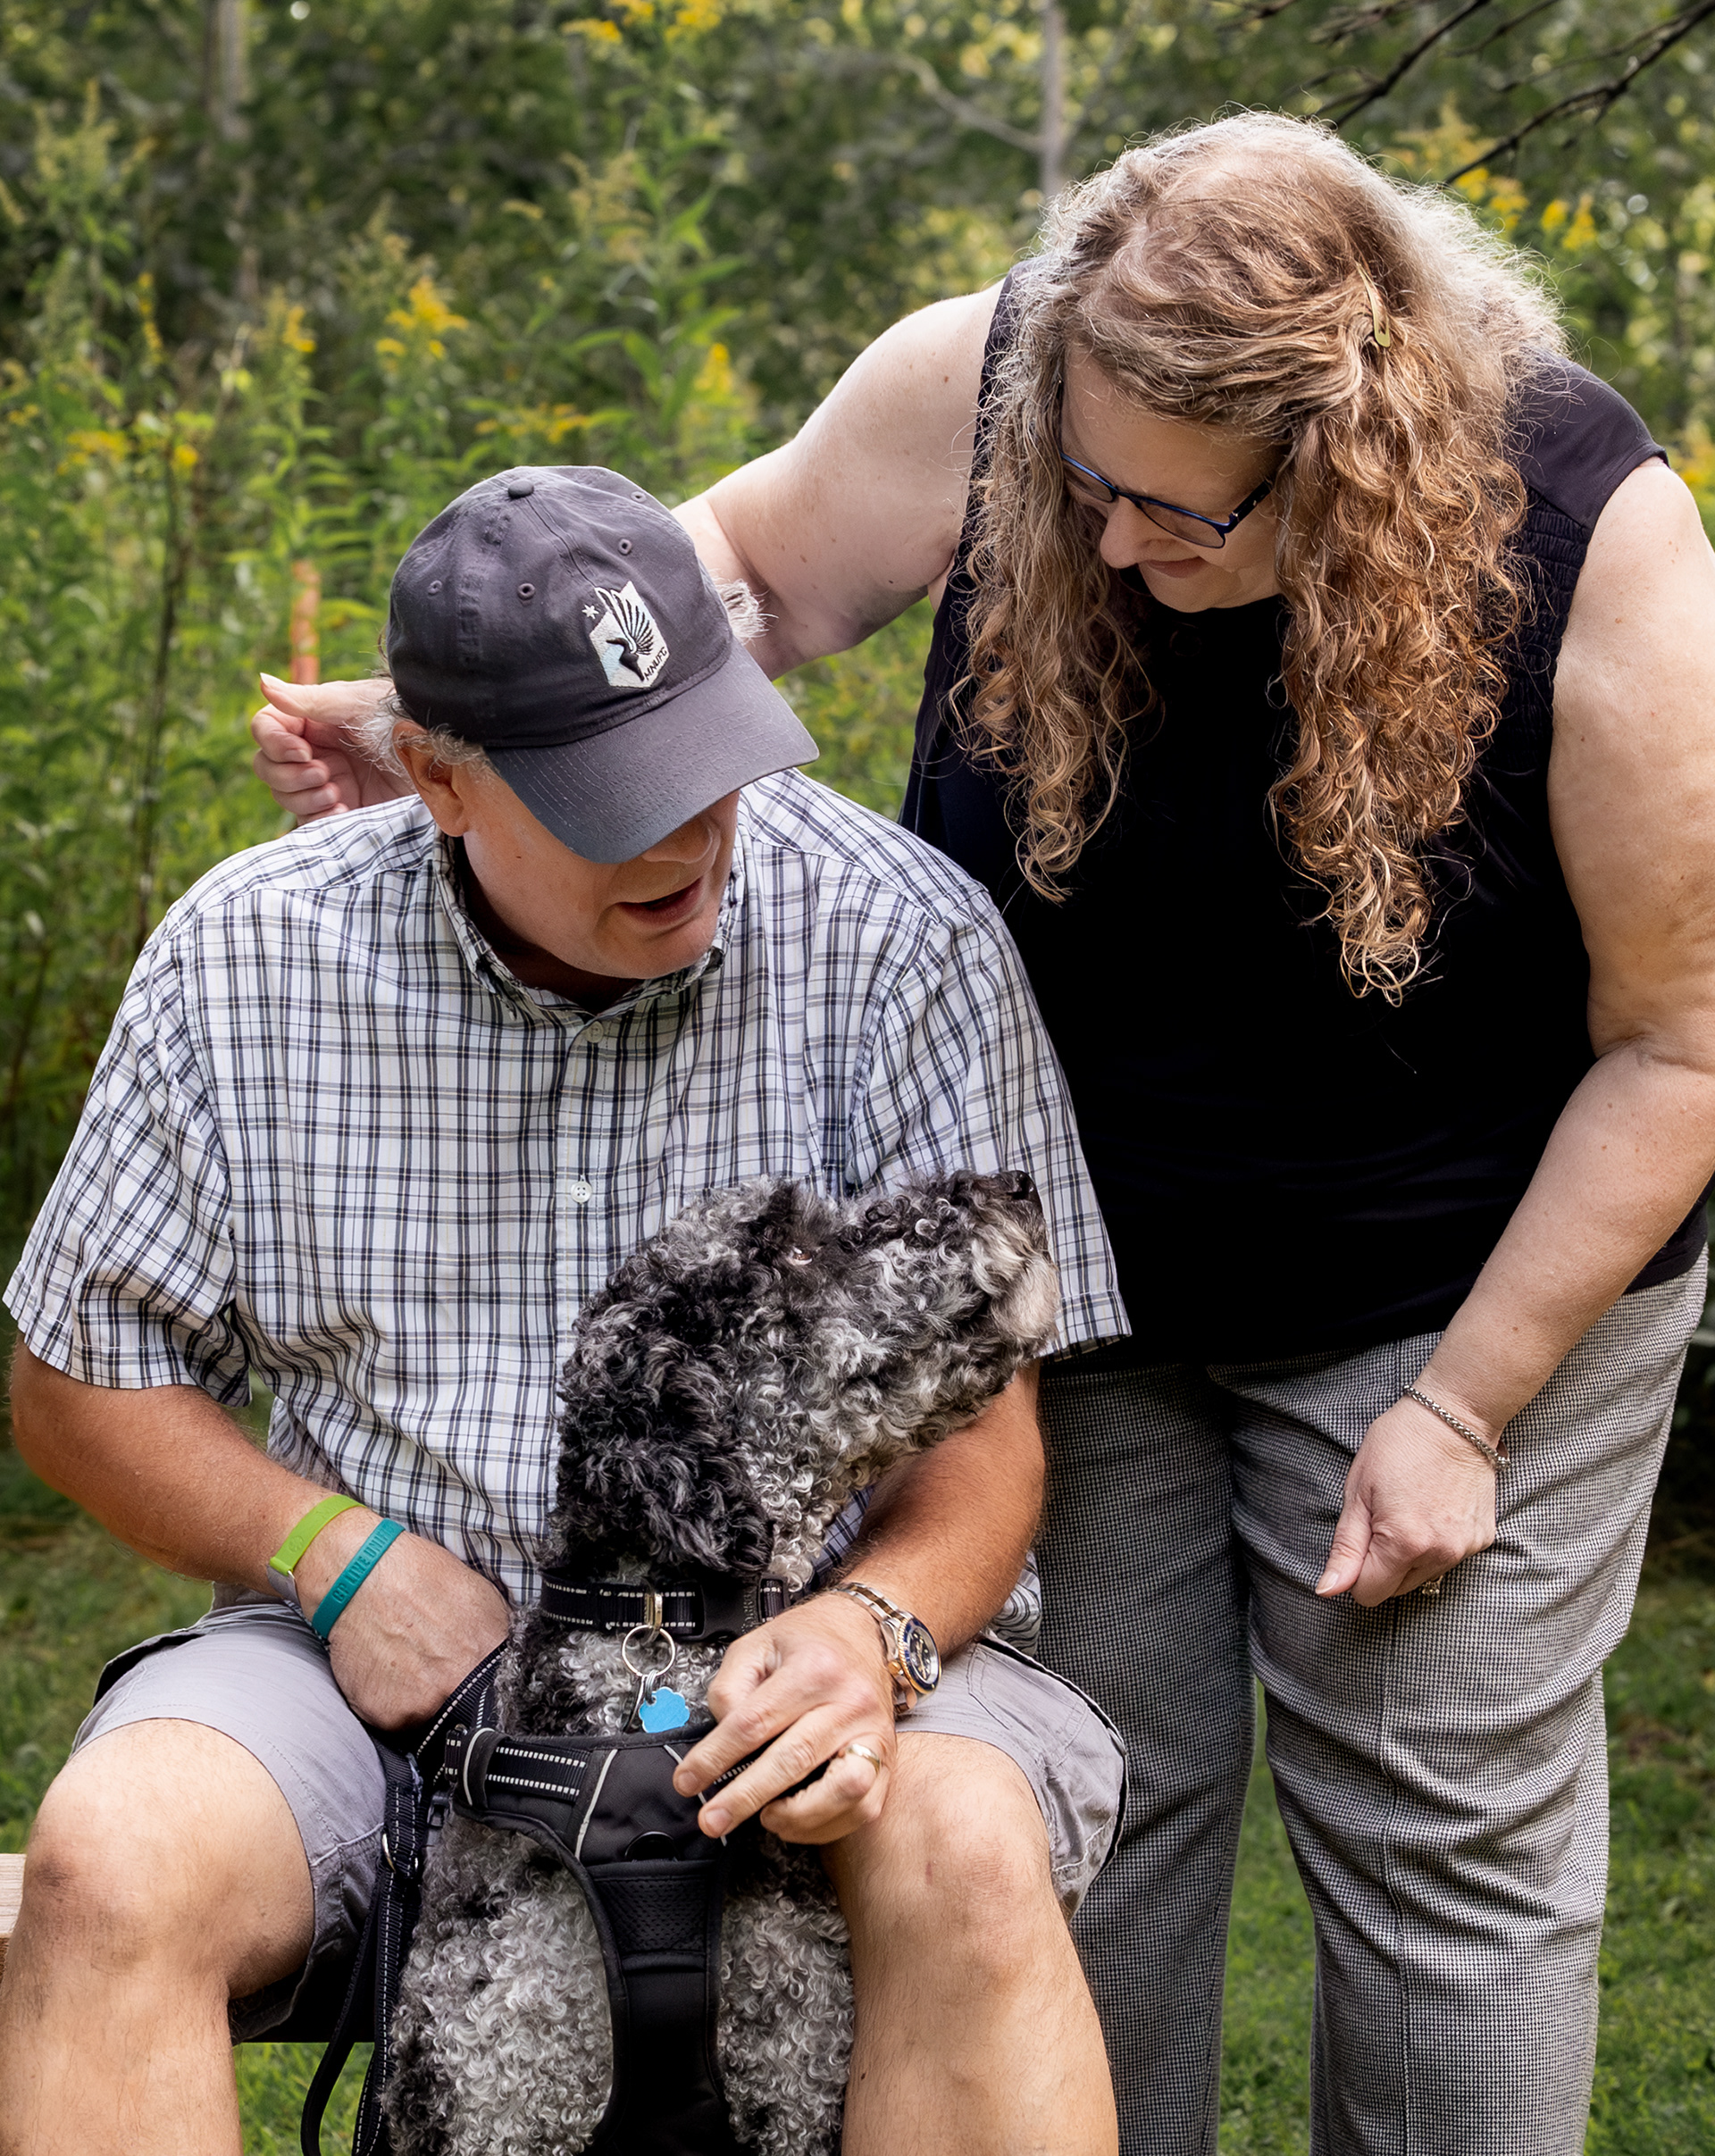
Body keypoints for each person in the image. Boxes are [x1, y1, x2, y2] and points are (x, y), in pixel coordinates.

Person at [253, 116, 1715, 2155]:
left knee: (1439, 1837)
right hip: (1070, 1270)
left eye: (1172, 513)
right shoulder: (1000, 378)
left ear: (1345, 453)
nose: (1106, 548)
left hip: (1460, 1274)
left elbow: (1682, 1046)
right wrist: (491, 740)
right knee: (1095, 1796)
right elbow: (746, 575)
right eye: (1082, 484)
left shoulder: (1593, 541)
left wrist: (1465, 1411)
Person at [0, 467, 1132, 2156]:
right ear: (439, 778)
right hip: (366, 1665)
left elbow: (984, 1449)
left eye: (708, 767)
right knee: (110, 1861)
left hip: (803, 1651)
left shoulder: (899, 935)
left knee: (962, 1849)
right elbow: (77, 1381)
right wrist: (331, 1553)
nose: (687, 839)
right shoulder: (247, 955)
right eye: (616, 801)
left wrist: (872, 1631)